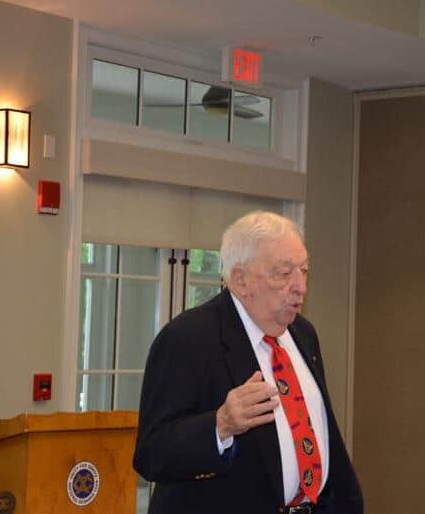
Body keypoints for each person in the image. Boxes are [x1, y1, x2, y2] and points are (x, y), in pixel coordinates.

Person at [133, 211, 363, 514]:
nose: (300, 287)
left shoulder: (303, 333)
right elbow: (152, 454)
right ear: (240, 280)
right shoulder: (188, 339)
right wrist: (219, 425)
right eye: (284, 273)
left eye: (304, 271)